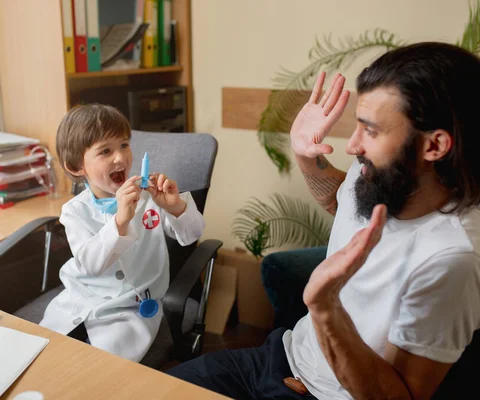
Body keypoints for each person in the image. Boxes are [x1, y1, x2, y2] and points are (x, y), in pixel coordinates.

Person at [167, 42, 480, 399]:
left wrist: (326, 310)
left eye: (371, 131)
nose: (352, 145)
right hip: (280, 358)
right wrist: (304, 154)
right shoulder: (378, 177)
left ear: (434, 146)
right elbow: (339, 200)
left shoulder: (451, 259)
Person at [39, 104, 205, 363]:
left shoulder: (150, 200)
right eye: (106, 151)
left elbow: (191, 234)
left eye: (124, 145)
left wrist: (175, 207)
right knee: (47, 350)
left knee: (106, 366)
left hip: (130, 308)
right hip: (80, 297)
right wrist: (119, 221)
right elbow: (91, 265)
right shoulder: (74, 211)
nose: (120, 158)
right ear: (76, 166)